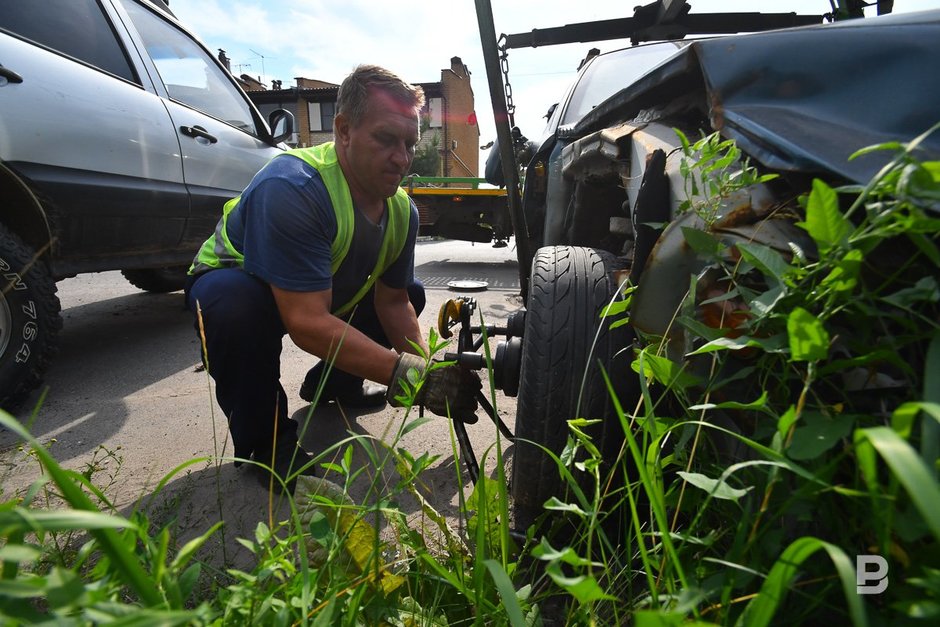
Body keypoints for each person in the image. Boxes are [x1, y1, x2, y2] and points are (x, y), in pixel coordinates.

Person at [185, 64, 480, 494]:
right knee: (233, 307)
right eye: (385, 139)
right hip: (243, 285)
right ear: (343, 130)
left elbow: (393, 303)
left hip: (315, 291)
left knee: (411, 293)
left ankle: (333, 386)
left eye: (409, 143)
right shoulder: (294, 187)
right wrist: (411, 380)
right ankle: (267, 449)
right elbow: (306, 322)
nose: (401, 158)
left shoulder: (402, 211)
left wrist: (428, 371)